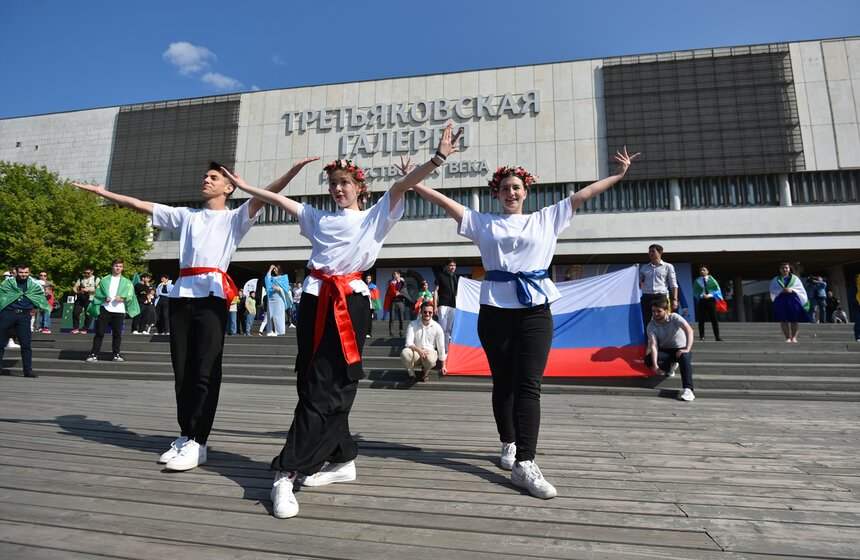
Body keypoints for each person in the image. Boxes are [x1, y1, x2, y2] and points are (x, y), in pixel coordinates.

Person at [221, 123, 460, 519]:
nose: (337, 188)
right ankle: (343, 457)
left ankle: (286, 470)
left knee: (331, 384)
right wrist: (246, 186)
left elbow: (404, 186)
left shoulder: (373, 216)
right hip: (316, 300)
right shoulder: (317, 217)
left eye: (344, 182)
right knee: (311, 379)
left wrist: (437, 159)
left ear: (358, 186)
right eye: (333, 182)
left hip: (349, 302)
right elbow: (278, 202)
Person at [410, 141, 639, 500]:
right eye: (504, 188)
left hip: (536, 312)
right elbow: (443, 202)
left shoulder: (546, 218)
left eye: (516, 187)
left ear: (525, 192)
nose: (510, 192)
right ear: (496, 194)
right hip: (495, 313)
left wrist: (618, 175)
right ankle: (509, 443)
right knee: (504, 384)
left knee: (530, 385)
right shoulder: (482, 222)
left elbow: (583, 195)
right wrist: (414, 181)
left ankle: (526, 463)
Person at [72, 157, 316, 472]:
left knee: (205, 371)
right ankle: (186, 433)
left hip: (213, 297)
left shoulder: (235, 218)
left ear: (229, 187)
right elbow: (139, 205)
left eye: (214, 177)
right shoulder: (186, 215)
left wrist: (292, 172)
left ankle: (199, 441)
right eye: (205, 176)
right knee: (183, 371)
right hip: (182, 296)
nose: (206, 180)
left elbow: (266, 194)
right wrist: (102, 192)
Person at [0, 264, 50, 378]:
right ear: (16, 272)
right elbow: (1, 295)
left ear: (29, 272)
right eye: (21, 272)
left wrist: (34, 304)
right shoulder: (7, 283)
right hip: (8, 314)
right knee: (0, 343)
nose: (24, 274)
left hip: (24, 315)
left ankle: (28, 370)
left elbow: (40, 296)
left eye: (26, 272)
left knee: (26, 345)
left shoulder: (34, 285)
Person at [85, 259, 140, 363]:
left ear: (122, 268)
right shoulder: (104, 280)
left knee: (117, 334)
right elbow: (98, 294)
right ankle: (94, 354)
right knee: (100, 332)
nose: (118, 268)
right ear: (112, 266)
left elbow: (131, 296)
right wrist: (103, 298)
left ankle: (116, 354)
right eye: (116, 266)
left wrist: (122, 298)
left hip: (119, 310)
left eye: (120, 266)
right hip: (105, 308)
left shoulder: (127, 282)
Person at [646, 298, 696, 401]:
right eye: (653, 311)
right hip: (666, 351)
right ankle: (669, 367)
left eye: (658, 311)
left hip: (680, 350)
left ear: (666, 310)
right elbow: (654, 345)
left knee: (685, 357)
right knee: (648, 359)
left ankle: (688, 389)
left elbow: (689, 331)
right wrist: (655, 365)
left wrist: (687, 348)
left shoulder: (674, 317)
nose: (655, 314)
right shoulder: (651, 325)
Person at [400, 301, 447, 383]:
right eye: (425, 312)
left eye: (430, 312)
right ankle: (411, 375)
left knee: (431, 360)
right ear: (421, 312)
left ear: (433, 313)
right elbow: (408, 343)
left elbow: (441, 347)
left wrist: (443, 366)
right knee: (405, 352)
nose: (427, 314)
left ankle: (425, 373)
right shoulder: (412, 324)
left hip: (429, 353)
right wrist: (419, 350)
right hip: (416, 353)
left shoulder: (437, 327)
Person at [639, 245, 678, 327]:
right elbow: (638, 282)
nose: (650, 253)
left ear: (660, 252)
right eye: (649, 251)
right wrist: (634, 270)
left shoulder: (668, 266)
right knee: (646, 321)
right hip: (646, 296)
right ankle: (647, 339)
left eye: (653, 251)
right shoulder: (644, 268)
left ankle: (662, 339)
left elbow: (673, 284)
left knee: (662, 320)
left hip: (660, 297)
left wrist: (674, 299)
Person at [769, 262, 809, 343]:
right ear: (780, 270)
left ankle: (794, 337)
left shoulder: (795, 279)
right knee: (783, 319)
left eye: (786, 268)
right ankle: (787, 337)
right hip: (781, 300)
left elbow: (800, 289)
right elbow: (772, 290)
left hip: (793, 299)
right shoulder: (776, 280)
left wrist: (792, 290)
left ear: (789, 269)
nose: (785, 269)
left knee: (795, 319)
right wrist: (781, 290)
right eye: (783, 268)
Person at [692, 265, 723, 341]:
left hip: (711, 300)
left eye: (703, 270)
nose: (702, 271)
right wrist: (702, 295)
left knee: (714, 318)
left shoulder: (712, 280)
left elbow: (717, 290)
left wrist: (709, 295)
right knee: (701, 319)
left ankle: (717, 336)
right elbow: (695, 292)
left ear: (707, 271)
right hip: (702, 300)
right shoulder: (697, 281)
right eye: (700, 270)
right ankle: (702, 337)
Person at [434, 258, 459, 351]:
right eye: (451, 265)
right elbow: (436, 291)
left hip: (453, 305)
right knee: (442, 329)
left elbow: (457, 293)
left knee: (449, 329)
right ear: (446, 266)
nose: (453, 267)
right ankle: (440, 348)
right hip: (443, 305)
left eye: (454, 265)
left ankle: (446, 349)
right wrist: (435, 306)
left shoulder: (455, 277)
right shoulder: (441, 276)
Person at [265, 264, 292, 335]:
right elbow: (267, 279)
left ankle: (278, 330)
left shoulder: (284, 277)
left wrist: (278, 288)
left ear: (279, 269)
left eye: (276, 269)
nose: (275, 270)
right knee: (270, 314)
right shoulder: (272, 278)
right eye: (274, 269)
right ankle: (271, 330)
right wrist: (270, 269)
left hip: (279, 298)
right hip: (271, 298)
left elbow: (286, 288)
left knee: (278, 315)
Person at [71, 267, 98, 334]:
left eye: (88, 273)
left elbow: (98, 289)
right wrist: (76, 292)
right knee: (75, 312)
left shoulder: (96, 279)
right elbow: (75, 287)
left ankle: (85, 328)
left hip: (90, 298)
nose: (86, 274)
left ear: (92, 272)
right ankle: (76, 328)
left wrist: (88, 290)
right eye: (85, 273)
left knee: (88, 314)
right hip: (80, 298)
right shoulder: (81, 278)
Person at [387, 270, 407, 337]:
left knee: (401, 318)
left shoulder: (402, 282)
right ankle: (391, 332)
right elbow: (389, 292)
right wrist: (394, 293)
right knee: (392, 318)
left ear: (398, 274)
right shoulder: (391, 282)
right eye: (393, 274)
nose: (393, 275)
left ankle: (401, 332)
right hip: (393, 302)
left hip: (400, 301)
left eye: (394, 274)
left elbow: (405, 291)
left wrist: (400, 293)